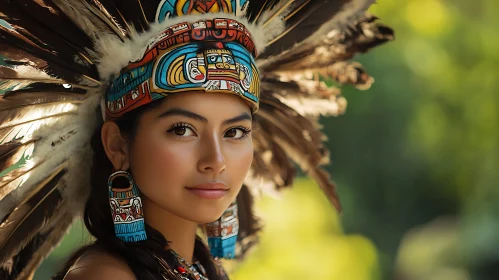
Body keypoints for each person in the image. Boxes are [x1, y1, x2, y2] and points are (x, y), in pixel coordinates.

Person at [0, 1, 394, 279]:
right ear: (117, 145)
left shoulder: (199, 269)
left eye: (235, 132)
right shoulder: (105, 276)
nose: (216, 160)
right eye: (182, 129)